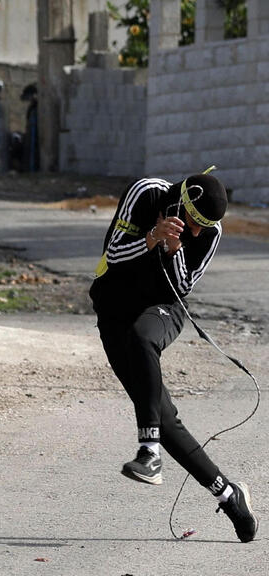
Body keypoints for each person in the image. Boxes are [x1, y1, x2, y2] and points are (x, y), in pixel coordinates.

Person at [90, 172, 258, 543]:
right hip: (114, 310)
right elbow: (112, 256)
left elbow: (182, 287)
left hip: (162, 309)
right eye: (193, 223)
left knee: (143, 338)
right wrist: (152, 237)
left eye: (206, 227)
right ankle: (230, 496)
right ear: (180, 204)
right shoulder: (146, 194)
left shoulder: (210, 234)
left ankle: (148, 451)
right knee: (166, 420)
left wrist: (173, 249)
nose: (199, 233)